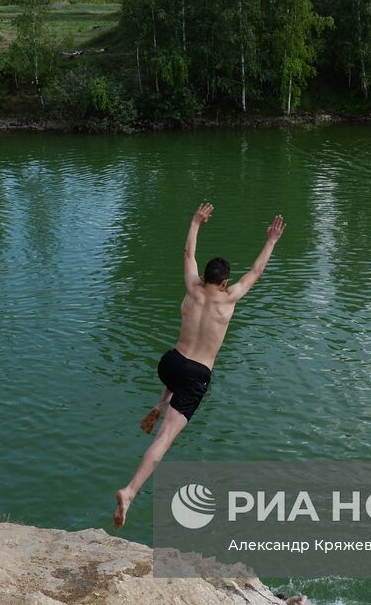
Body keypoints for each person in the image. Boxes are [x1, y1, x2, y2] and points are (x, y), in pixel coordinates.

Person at [114, 203, 285, 529]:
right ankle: (130, 491)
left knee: (176, 376)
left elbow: (188, 252)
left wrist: (195, 221)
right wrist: (272, 240)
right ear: (224, 283)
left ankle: (162, 401)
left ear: (205, 277)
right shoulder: (229, 297)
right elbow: (256, 272)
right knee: (163, 440)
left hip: (170, 363)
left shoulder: (192, 288)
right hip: (196, 374)